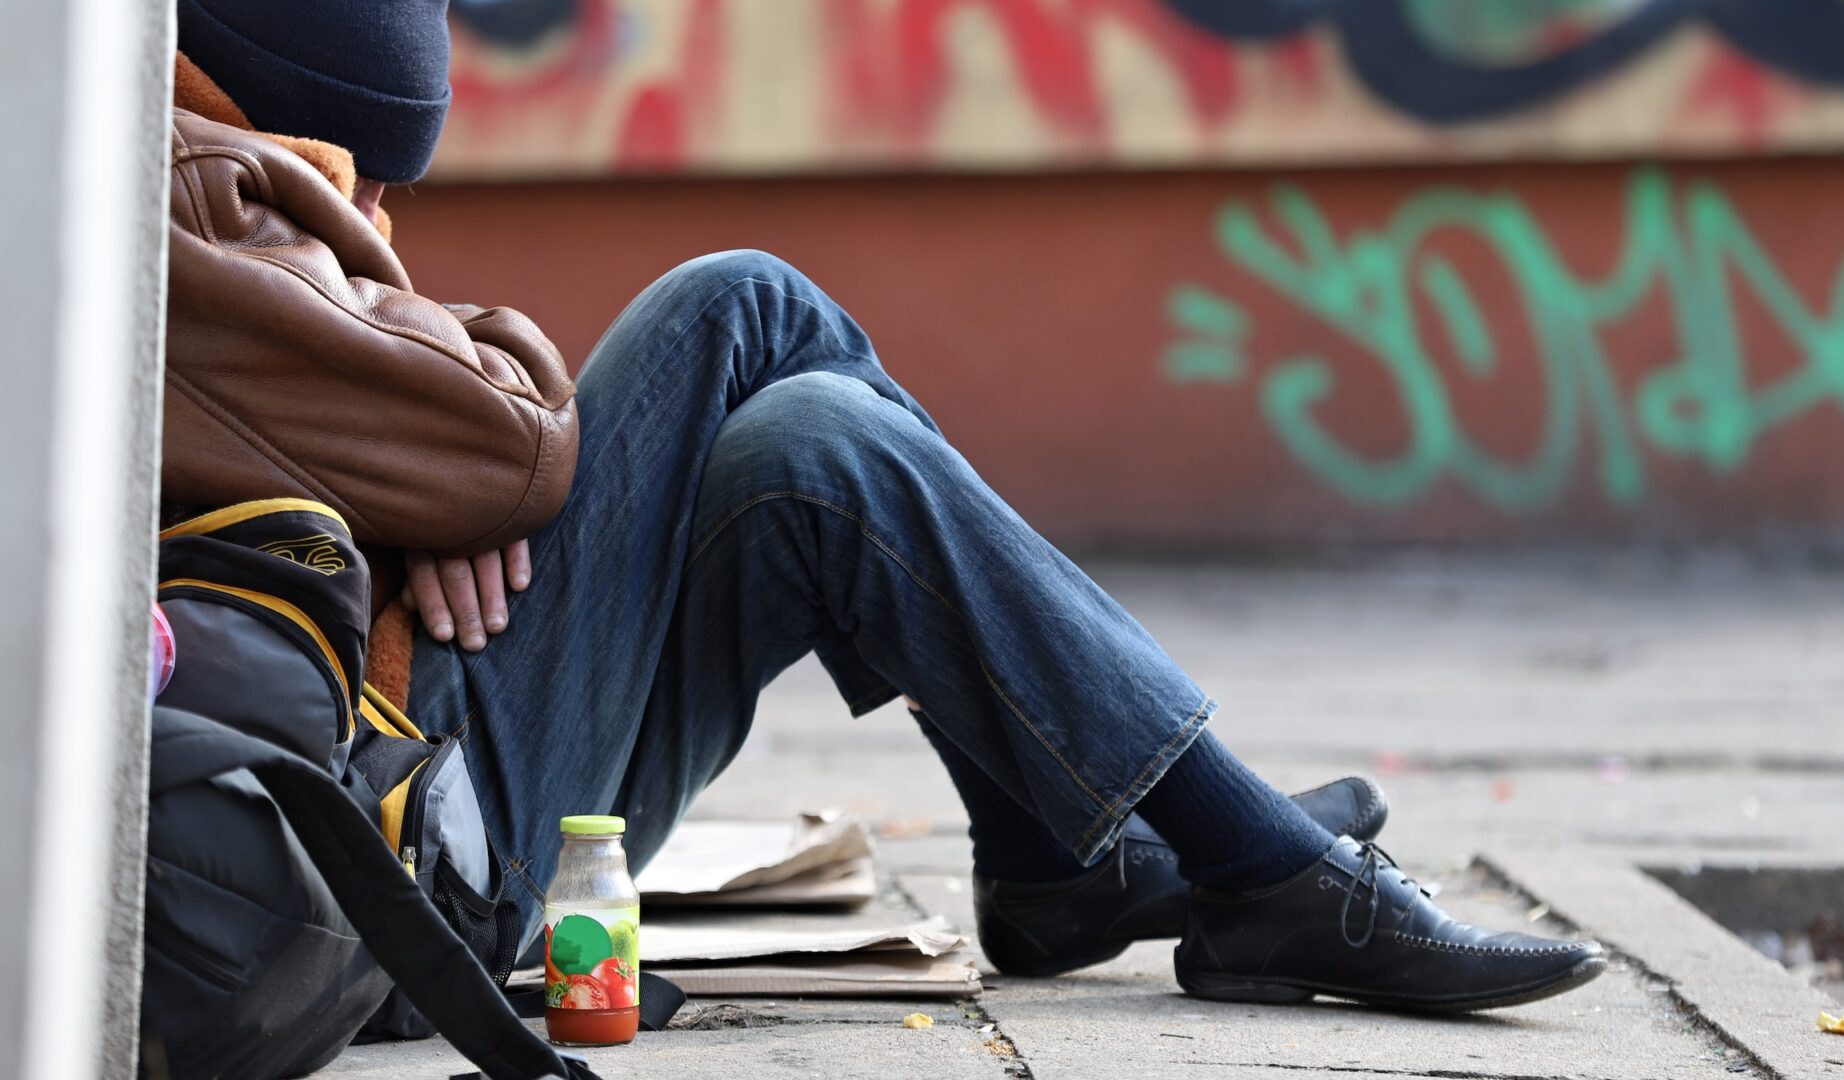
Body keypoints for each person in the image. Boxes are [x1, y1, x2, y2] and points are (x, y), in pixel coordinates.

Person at [162, 0, 1605, 1014]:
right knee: (746, 303)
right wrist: (440, 470)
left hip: (433, 764)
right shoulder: (175, 189)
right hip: (393, 844)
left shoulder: (157, 167)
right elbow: (504, 447)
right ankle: (1189, 858)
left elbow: (430, 431)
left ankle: (1114, 856)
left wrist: (424, 466)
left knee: (816, 440)